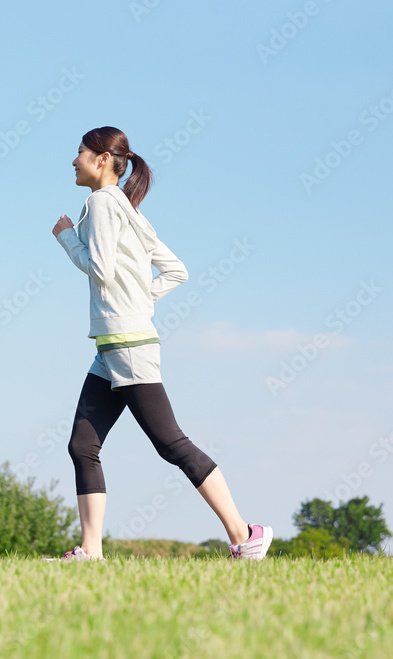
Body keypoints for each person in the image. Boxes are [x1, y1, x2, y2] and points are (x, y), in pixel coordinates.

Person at [49, 126, 272, 562]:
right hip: (114, 344)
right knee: (82, 445)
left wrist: (64, 236)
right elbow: (176, 271)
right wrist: (137, 300)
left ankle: (245, 533)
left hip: (127, 343)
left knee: (171, 443)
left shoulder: (99, 203)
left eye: (78, 152)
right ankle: (91, 551)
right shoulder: (131, 211)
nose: (73, 161)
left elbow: (99, 267)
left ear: (100, 159)